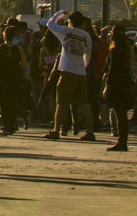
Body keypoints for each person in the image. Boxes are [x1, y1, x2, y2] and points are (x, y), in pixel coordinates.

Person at [41, 11, 96, 141]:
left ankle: (56, 130)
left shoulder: (65, 32)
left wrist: (61, 14)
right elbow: (88, 54)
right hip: (80, 72)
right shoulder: (86, 35)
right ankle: (90, 131)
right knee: (84, 103)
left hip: (67, 71)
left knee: (61, 103)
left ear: (70, 21)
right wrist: (84, 66)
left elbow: (50, 24)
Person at [102, 23, 136, 152]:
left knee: (120, 114)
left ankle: (122, 142)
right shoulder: (126, 48)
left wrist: (107, 86)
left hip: (116, 84)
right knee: (122, 115)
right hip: (125, 83)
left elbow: (112, 69)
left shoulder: (115, 50)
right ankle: (122, 140)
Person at [0, 21, 29, 135]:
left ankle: (7, 125)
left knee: (3, 103)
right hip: (15, 78)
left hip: (1, 78)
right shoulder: (18, 49)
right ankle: (12, 125)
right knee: (13, 102)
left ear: (4, 35)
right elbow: (25, 65)